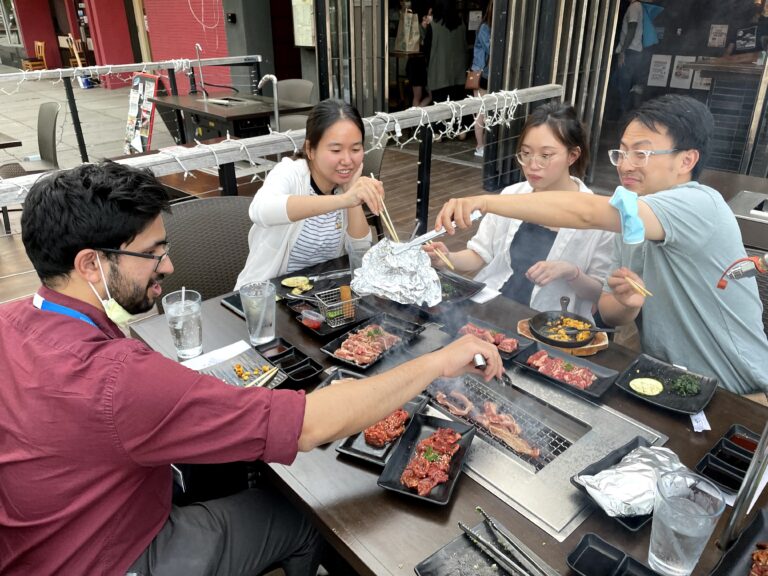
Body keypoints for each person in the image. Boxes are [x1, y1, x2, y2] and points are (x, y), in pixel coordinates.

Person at [0, 161, 502, 575]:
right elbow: (310, 424)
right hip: (111, 557)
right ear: (91, 264)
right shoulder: (114, 378)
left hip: (36, 543)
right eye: (152, 253)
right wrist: (438, 361)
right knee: (304, 518)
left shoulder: (11, 320)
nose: (168, 267)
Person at [435, 94, 768, 395]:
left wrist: (484, 202)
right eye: (622, 152)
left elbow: (584, 212)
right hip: (673, 386)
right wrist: (630, 303)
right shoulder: (632, 222)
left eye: (642, 153)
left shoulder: (700, 204)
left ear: (686, 160)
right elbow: (611, 312)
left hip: (742, 390)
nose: (625, 164)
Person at [425, 102, 613, 322]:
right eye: (525, 153)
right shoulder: (512, 195)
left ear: (573, 155)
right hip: (494, 307)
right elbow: (480, 255)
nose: (533, 165)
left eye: (546, 155)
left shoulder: (597, 215)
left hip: (553, 325)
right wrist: (448, 258)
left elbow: (599, 294)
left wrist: (572, 272)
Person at [235, 99, 382, 288]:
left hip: (319, 299)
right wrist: (344, 200)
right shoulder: (290, 173)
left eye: (355, 149)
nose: (347, 160)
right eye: (336, 150)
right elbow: (260, 211)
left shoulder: (343, 186)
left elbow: (360, 254)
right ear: (310, 149)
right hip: (267, 298)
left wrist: (351, 196)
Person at [425, 0, 467, 104]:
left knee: (440, 116)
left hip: (439, 79)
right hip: (459, 78)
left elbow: (427, 51)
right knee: (457, 114)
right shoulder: (461, 25)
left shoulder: (433, 26)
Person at [614, 0, 644, 118]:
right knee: (619, 83)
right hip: (633, 52)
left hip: (629, 52)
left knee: (622, 87)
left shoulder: (634, 7)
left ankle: (625, 116)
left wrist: (623, 51)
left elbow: (632, 29)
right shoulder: (638, 7)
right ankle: (626, 114)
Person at [471, 0, 492, 157]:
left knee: (487, 112)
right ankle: (479, 146)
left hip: (484, 72)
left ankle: (483, 145)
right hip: (480, 73)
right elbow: (491, 48)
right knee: (481, 112)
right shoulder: (485, 27)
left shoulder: (487, 27)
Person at [406, 4, 433, 108]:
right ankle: (414, 117)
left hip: (419, 66)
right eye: (429, 14)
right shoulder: (420, 30)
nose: (431, 17)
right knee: (418, 96)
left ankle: (415, 115)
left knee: (423, 95)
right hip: (416, 65)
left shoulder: (424, 29)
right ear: (424, 17)